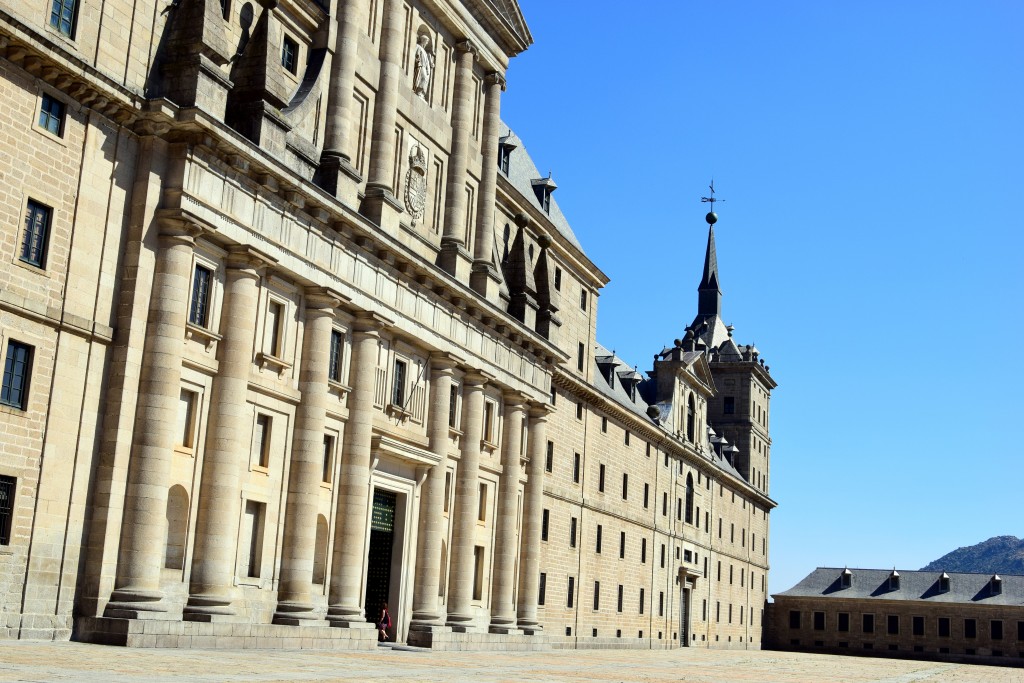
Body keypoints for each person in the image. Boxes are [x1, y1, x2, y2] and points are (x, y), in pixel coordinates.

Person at [413, 34, 433, 99]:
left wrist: (430, 64)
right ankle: (418, 91)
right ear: (423, 40)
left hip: (424, 67)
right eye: (426, 41)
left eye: (427, 42)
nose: (427, 43)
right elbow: (414, 53)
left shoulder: (425, 52)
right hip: (420, 65)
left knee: (425, 79)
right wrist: (417, 60)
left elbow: (427, 62)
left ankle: (421, 93)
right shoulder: (418, 46)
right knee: (423, 78)